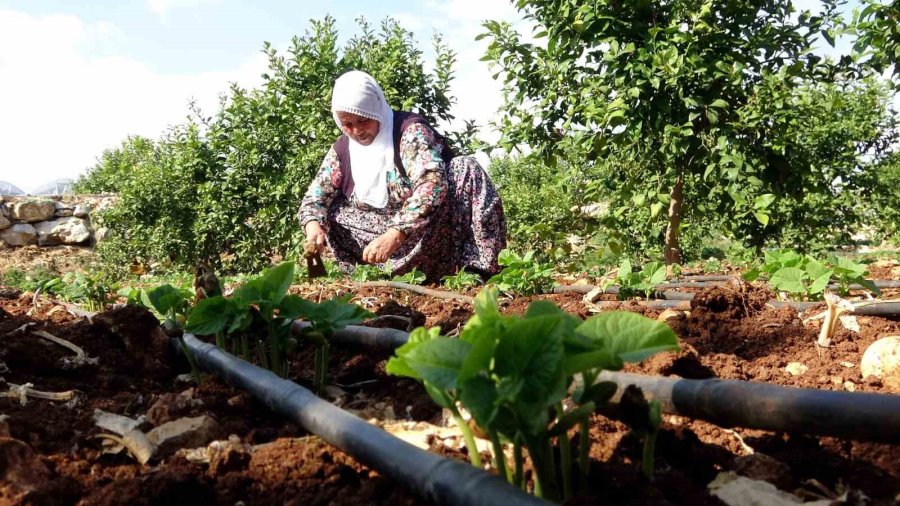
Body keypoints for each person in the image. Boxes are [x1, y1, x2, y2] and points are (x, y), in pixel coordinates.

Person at [297, 70, 506, 281]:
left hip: (431, 233)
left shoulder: (409, 131)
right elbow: (315, 196)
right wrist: (313, 225)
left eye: (363, 120)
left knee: (465, 168)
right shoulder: (343, 149)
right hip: (381, 248)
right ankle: (365, 275)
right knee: (331, 209)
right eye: (348, 124)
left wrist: (396, 234)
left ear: (376, 110)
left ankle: (477, 269)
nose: (357, 131)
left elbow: (431, 183)